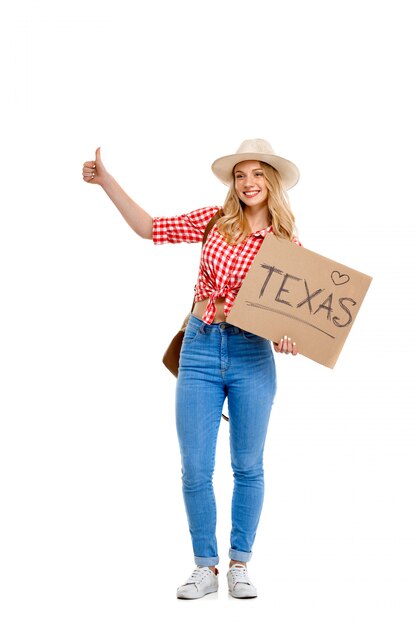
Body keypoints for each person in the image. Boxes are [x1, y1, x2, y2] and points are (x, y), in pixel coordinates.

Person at [82, 138, 301, 599]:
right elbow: (149, 228)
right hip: (200, 348)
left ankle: (240, 564)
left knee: (248, 465)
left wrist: (290, 338)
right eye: (241, 175)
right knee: (195, 467)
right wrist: (107, 182)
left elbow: (298, 320)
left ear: (272, 181)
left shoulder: (287, 244)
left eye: (258, 174)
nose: (248, 183)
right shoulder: (214, 221)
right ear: (233, 183)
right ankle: (205, 566)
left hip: (252, 356)